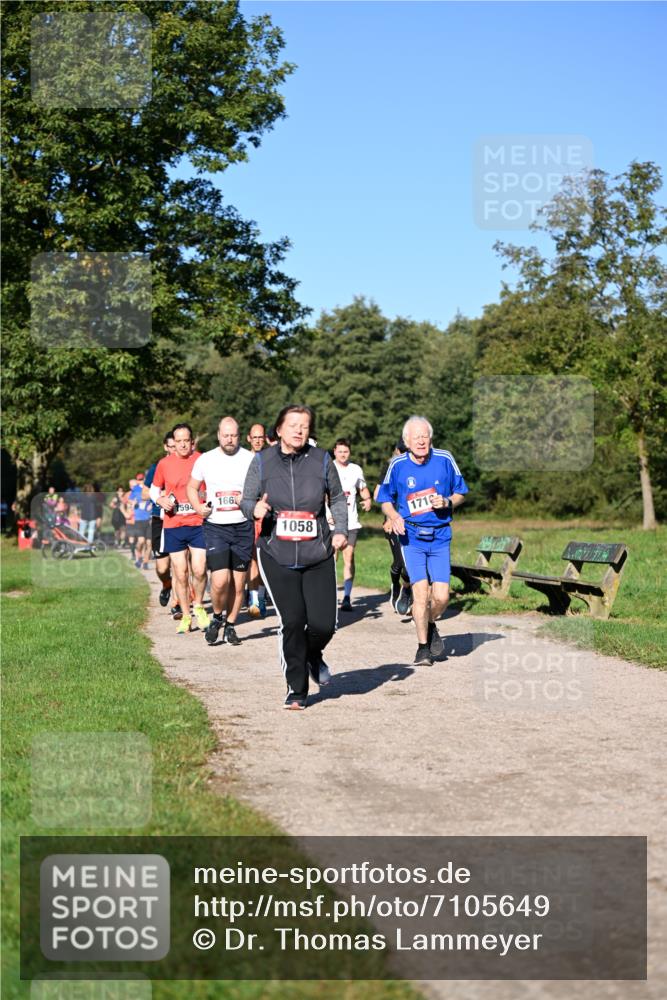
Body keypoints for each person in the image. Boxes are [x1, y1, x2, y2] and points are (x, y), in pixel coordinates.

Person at [241, 405, 348, 710]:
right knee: (294, 620)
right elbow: (246, 500)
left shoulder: (322, 459)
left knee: (324, 624)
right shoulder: (262, 462)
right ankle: (296, 688)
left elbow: (337, 498)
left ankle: (313, 654)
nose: (299, 430)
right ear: (279, 430)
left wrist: (340, 529)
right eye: (293, 425)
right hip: (277, 552)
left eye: (304, 426)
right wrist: (255, 510)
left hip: (318, 551)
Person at [376, 416, 468, 665]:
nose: (421, 440)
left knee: (441, 597)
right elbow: (384, 499)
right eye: (416, 437)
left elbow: (461, 492)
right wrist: (394, 515)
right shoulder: (397, 465)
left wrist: (448, 501)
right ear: (406, 441)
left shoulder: (445, 459)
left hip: (439, 536)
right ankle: (422, 648)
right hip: (412, 537)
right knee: (420, 593)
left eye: (424, 436)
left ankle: (429, 622)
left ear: (431, 438)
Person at [187, 416, 254, 646]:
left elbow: (261, 489)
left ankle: (231, 625)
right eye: (225, 435)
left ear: (239, 435)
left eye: (234, 435)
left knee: (238, 582)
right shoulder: (206, 460)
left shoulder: (250, 459)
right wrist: (198, 508)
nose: (229, 439)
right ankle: (217, 616)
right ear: (218, 435)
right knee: (219, 581)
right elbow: (192, 488)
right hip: (216, 525)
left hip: (243, 525)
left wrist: (246, 499)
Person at [150, 423, 209, 635]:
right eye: (179, 441)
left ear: (192, 441)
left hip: (198, 523)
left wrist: (206, 504)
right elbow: (154, 490)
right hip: (173, 523)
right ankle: (186, 615)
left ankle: (199, 606)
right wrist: (160, 499)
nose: (183, 445)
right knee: (181, 573)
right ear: (173, 443)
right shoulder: (164, 464)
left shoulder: (202, 460)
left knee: (200, 569)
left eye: (186, 440)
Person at [329, 438, 372, 611]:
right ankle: (330, 595)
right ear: (334, 452)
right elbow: (321, 494)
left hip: (351, 522)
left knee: (349, 557)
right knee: (332, 558)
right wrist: (327, 513)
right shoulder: (329, 468)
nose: (343, 454)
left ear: (350, 453)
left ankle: (346, 597)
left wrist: (368, 500)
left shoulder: (356, 469)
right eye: (340, 451)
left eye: (346, 451)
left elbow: (362, 489)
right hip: (331, 522)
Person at [374, 439, 413, 616]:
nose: (405, 454)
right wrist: (390, 517)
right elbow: (378, 495)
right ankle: (397, 585)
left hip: (413, 521)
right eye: (402, 451)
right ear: (396, 450)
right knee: (399, 563)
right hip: (393, 520)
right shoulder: (389, 469)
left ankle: (408, 592)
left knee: (410, 565)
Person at [144, 432, 177, 609]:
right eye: (171, 446)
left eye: (177, 445)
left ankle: (178, 604)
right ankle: (166, 584)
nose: (174, 450)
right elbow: (144, 492)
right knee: (163, 568)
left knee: (181, 565)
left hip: (179, 518)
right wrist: (159, 495)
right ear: (165, 447)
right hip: (159, 519)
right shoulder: (157, 467)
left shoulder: (186, 465)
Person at [246, 422, 268, 617]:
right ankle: (253, 598)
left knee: (262, 558)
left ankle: (260, 596)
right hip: (246, 515)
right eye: (255, 437)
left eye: (261, 437)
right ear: (249, 439)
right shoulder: (242, 460)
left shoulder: (271, 459)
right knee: (251, 558)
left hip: (266, 515)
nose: (258, 440)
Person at [127, 473, 152, 569]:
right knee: (141, 541)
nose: (140, 481)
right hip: (139, 519)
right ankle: (139, 558)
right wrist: (132, 502)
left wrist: (152, 505)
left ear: (144, 479)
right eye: (139, 479)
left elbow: (155, 499)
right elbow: (129, 500)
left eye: (142, 479)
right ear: (137, 480)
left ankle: (145, 562)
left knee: (149, 543)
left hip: (149, 519)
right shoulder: (135, 489)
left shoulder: (149, 488)